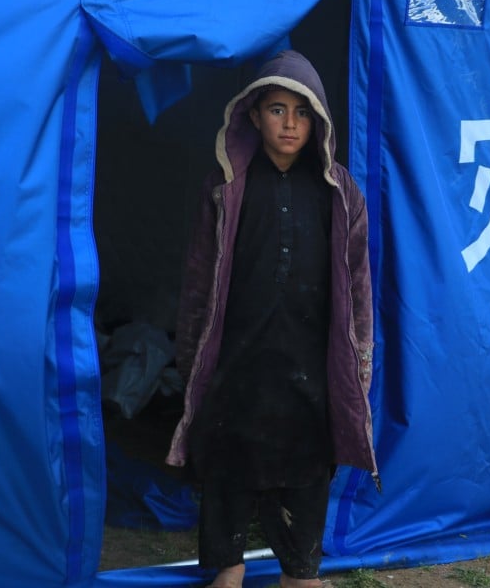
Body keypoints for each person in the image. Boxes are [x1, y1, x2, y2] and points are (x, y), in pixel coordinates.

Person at [165, 50, 379, 588]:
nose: (290, 123)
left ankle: (300, 573)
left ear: (319, 121)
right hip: (239, 360)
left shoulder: (341, 193)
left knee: (308, 466)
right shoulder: (226, 186)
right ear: (253, 115)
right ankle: (227, 570)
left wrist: (358, 362)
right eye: (278, 110)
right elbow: (198, 280)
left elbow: (357, 288)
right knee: (229, 460)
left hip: (310, 363)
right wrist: (192, 357)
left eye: (302, 113)